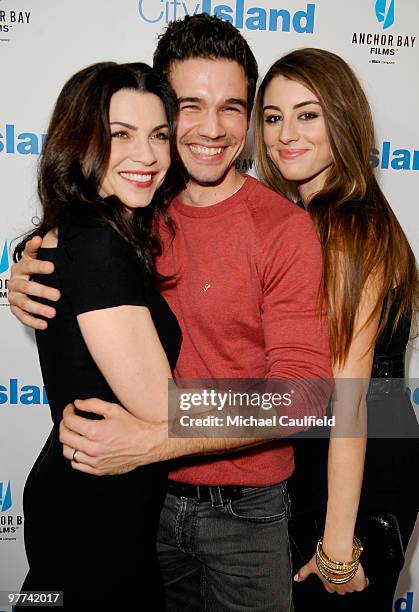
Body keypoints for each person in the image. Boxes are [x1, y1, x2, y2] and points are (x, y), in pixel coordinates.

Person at [9, 15, 332, 612]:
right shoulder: (131, 210)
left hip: (246, 516)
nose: (212, 129)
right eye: (189, 106)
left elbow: (309, 397)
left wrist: (152, 443)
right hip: (141, 508)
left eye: (233, 107)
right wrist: (23, 270)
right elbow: (76, 244)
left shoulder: (284, 229)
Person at [12, 61, 184, 610]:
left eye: (159, 135)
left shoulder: (92, 233)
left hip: (93, 502)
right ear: (80, 141)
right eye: (120, 135)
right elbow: (167, 407)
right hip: (94, 513)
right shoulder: (97, 245)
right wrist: (292, 402)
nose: (148, 155)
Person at [253, 47, 419, 611]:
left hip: (357, 464)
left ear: (342, 121)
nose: (285, 135)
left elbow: (349, 398)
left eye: (307, 113)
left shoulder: (346, 226)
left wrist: (339, 547)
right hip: (330, 452)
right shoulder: (308, 219)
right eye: (273, 117)